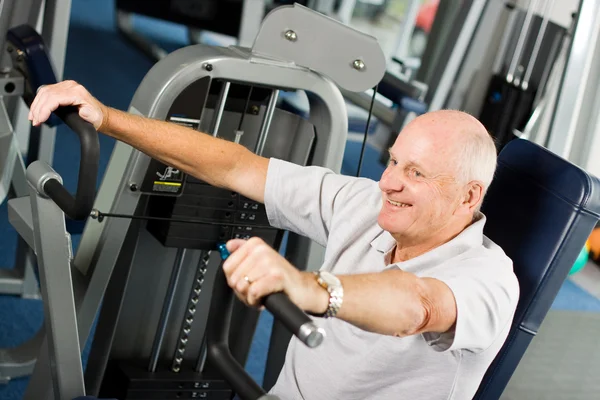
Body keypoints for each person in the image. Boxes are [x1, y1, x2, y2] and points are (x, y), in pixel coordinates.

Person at [29, 80, 520, 400]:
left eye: (415, 173)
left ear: (467, 196)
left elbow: (419, 306)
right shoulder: (369, 205)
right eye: (392, 161)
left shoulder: (488, 279)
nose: (389, 182)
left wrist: (311, 288)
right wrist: (107, 117)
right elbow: (238, 166)